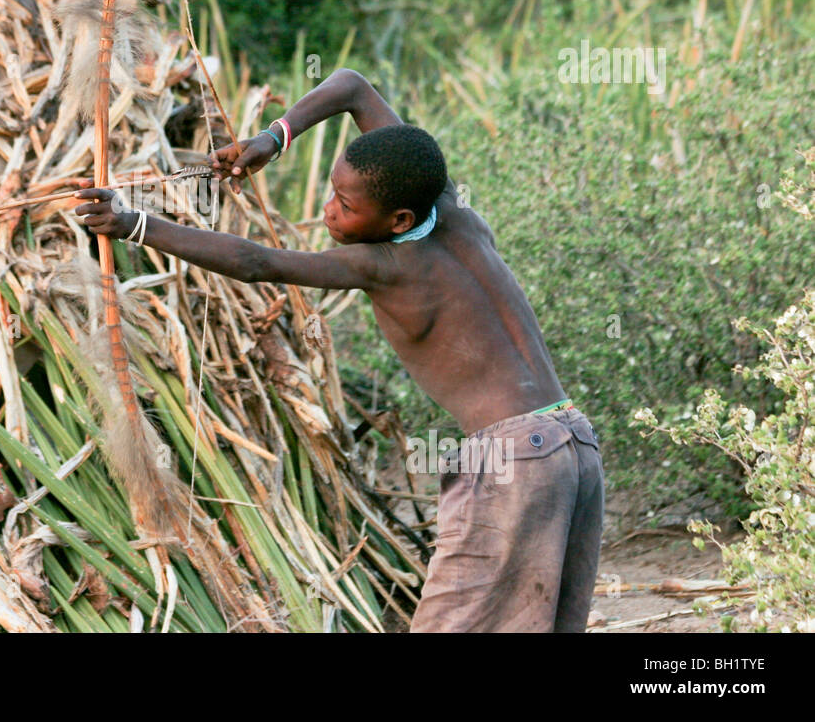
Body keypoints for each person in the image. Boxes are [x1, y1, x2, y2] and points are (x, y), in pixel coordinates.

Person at [74, 66, 604, 632]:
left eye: (347, 206)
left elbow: (257, 263)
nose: (330, 210)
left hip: (513, 462)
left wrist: (133, 224)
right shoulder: (446, 208)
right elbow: (352, 86)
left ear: (398, 219)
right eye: (333, 192)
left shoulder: (386, 265)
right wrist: (271, 139)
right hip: (574, 444)